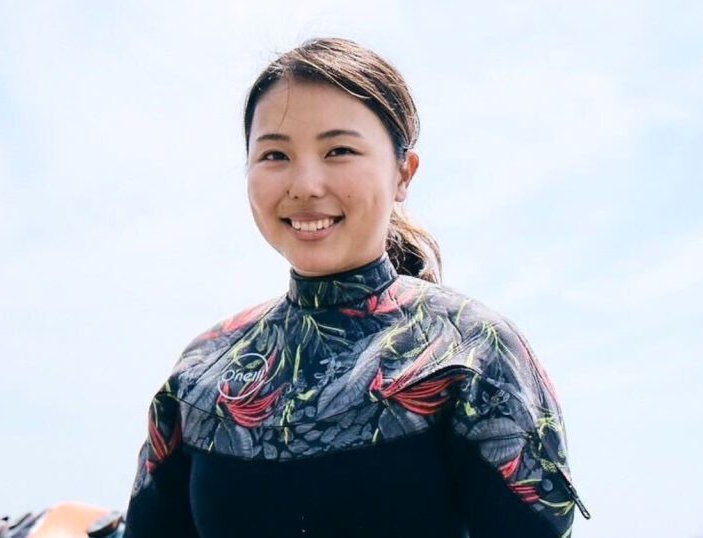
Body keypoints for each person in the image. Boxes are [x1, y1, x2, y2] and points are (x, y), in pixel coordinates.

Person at [123, 37, 588, 538]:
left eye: (339, 151)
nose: (305, 185)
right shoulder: (203, 374)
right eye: (275, 154)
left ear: (403, 173)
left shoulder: (470, 350)